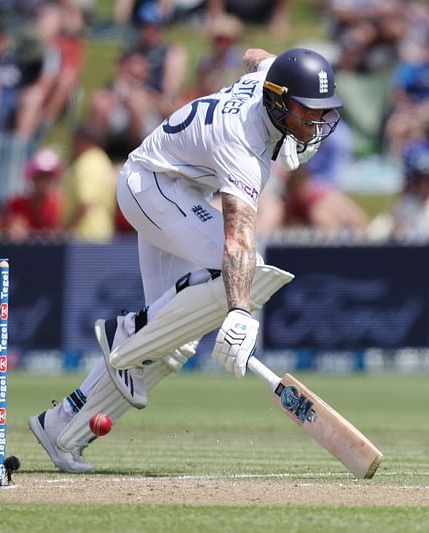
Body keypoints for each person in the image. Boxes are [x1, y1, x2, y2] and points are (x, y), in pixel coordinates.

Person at [29, 47, 343, 472]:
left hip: (177, 190)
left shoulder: (270, 81)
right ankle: (132, 328)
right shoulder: (243, 146)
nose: (316, 123)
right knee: (251, 271)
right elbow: (236, 242)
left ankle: (62, 425)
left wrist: (286, 117)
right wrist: (239, 313)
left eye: (320, 113)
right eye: (307, 113)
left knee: (172, 346)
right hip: (152, 185)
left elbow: (254, 55)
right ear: (278, 101)